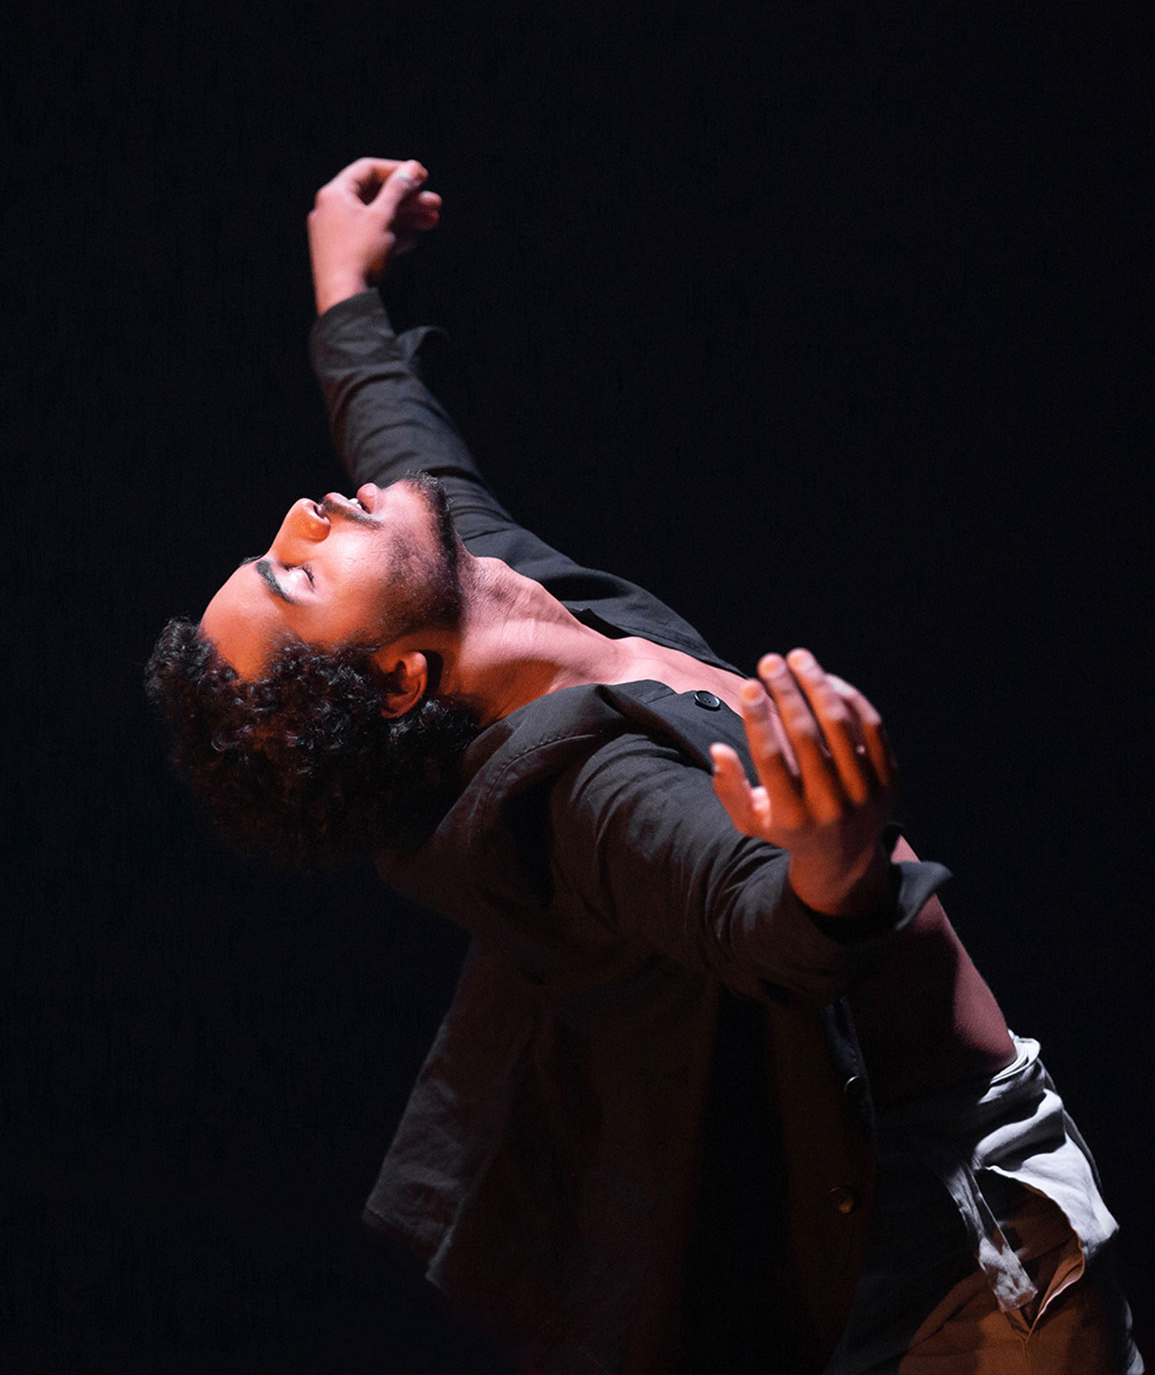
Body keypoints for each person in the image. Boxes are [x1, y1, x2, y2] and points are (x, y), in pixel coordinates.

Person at [146, 156, 1142, 1374]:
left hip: (913, 1230)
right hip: (970, 1272)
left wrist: (344, 291)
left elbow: (400, 440)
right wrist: (831, 866)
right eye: (297, 576)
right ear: (401, 680)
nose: (303, 515)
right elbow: (745, 910)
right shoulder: (577, 805)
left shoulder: (496, 590)